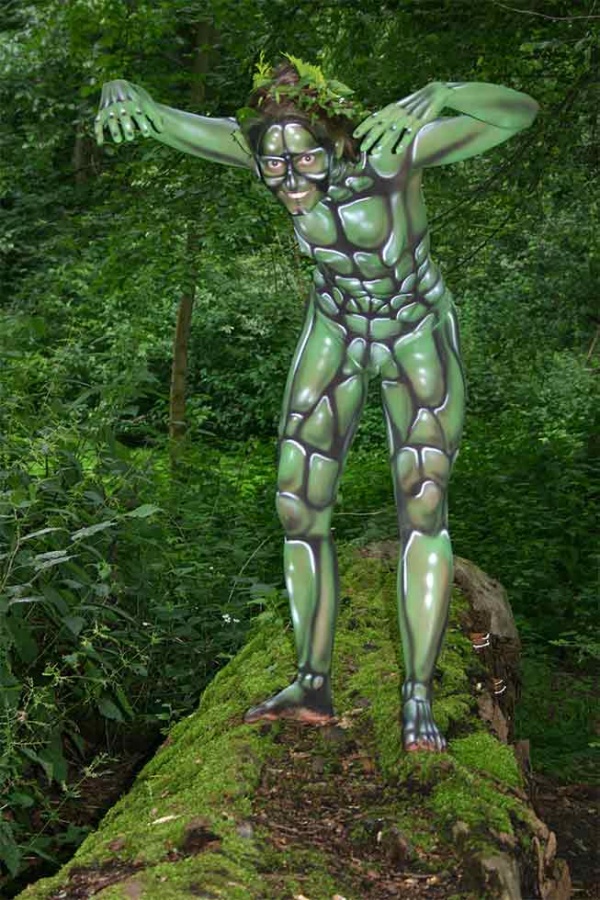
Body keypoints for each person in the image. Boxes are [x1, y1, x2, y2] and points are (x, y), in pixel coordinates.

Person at [95, 60, 538, 751]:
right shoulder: (266, 153)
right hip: (335, 325)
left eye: (305, 159)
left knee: (423, 505)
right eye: (274, 165)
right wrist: (125, 89)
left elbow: (518, 113)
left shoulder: (391, 156)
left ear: (335, 144)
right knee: (298, 508)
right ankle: (311, 682)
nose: (290, 178)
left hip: (415, 327)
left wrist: (444, 92)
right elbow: (164, 121)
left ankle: (417, 696)